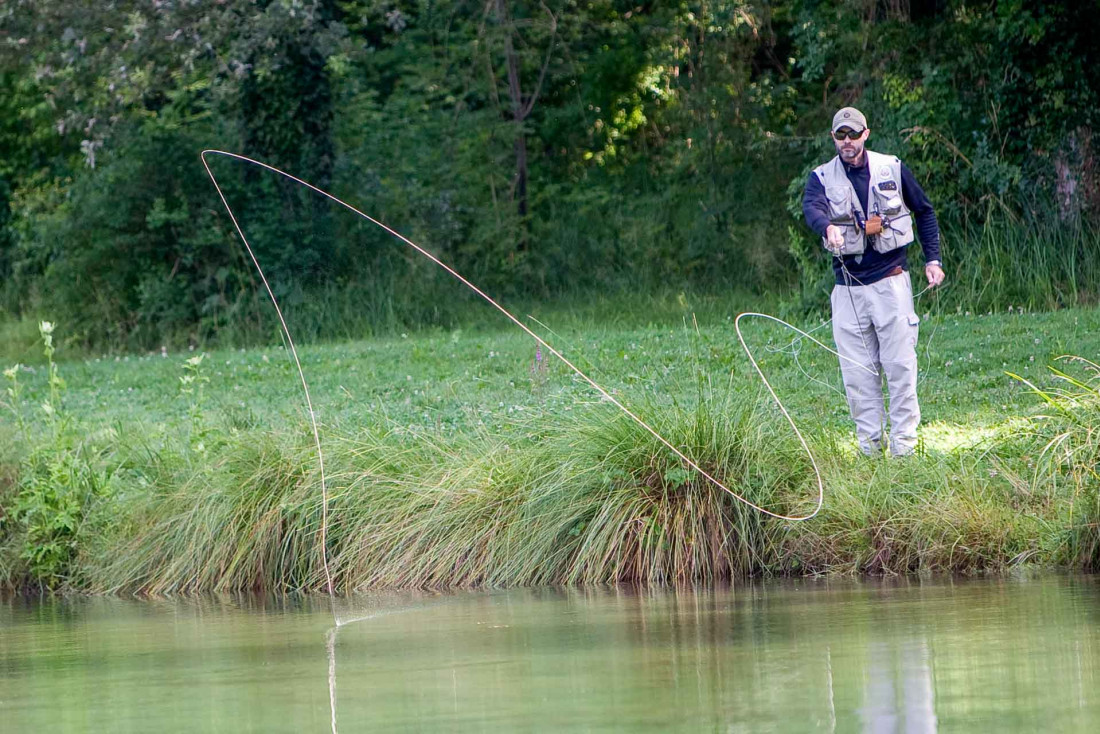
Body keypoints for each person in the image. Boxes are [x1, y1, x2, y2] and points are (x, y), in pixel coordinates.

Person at [802, 107, 945, 457]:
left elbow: (924, 210)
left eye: (853, 134)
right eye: (841, 136)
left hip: (890, 284)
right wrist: (828, 228)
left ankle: (905, 450)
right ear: (833, 138)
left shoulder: (891, 167)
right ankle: (868, 449)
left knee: (899, 366)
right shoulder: (820, 177)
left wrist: (933, 259)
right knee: (857, 375)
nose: (847, 142)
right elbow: (812, 208)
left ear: (866, 134)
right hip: (848, 291)